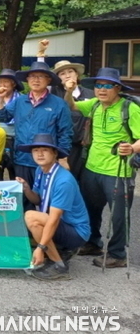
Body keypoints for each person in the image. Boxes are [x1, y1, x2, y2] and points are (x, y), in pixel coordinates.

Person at [64, 67, 139, 268]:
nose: (102, 89)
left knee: (119, 215)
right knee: (91, 209)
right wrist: (69, 91)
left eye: (107, 86)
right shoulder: (94, 104)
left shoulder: (129, 108)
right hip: (92, 167)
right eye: (98, 85)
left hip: (118, 170)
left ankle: (117, 254)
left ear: (117, 88)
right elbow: (71, 105)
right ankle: (92, 243)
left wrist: (132, 147)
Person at [19, 133, 91, 280]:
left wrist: (40, 248)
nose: (39, 154)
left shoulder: (63, 181)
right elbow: (37, 200)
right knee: (27, 218)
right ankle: (60, 251)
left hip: (76, 232)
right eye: (35, 150)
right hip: (61, 224)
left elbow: (54, 219)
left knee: (31, 217)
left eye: (45, 150)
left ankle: (58, 265)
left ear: (55, 153)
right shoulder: (40, 170)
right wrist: (26, 188)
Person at [0, 61, 73, 189]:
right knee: (24, 196)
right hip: (22, 159)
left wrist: (62, 157)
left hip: (46, 161)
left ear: (48, 80)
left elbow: (65, 132)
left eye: (41, 76)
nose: (36, 80)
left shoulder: (59, 104)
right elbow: (2, 117)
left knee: (46, 197)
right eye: (32, 76)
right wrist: (0, 99)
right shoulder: (20, 101)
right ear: (27, 79)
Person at [50, 60, 94, 183]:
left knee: (87, 182)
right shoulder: (54, 94)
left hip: (87, 146)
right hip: (64, 146)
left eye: (70, 71)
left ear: (77, 74)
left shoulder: (91, 94)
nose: (67, 75)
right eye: (62, 73)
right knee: (67, 180)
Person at [0, 68, 24, 179]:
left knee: (15, 172)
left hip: (15, 139)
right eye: (0, 82)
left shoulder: (21, 99)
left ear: (13, 84)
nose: (2, 84)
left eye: (6, 81)